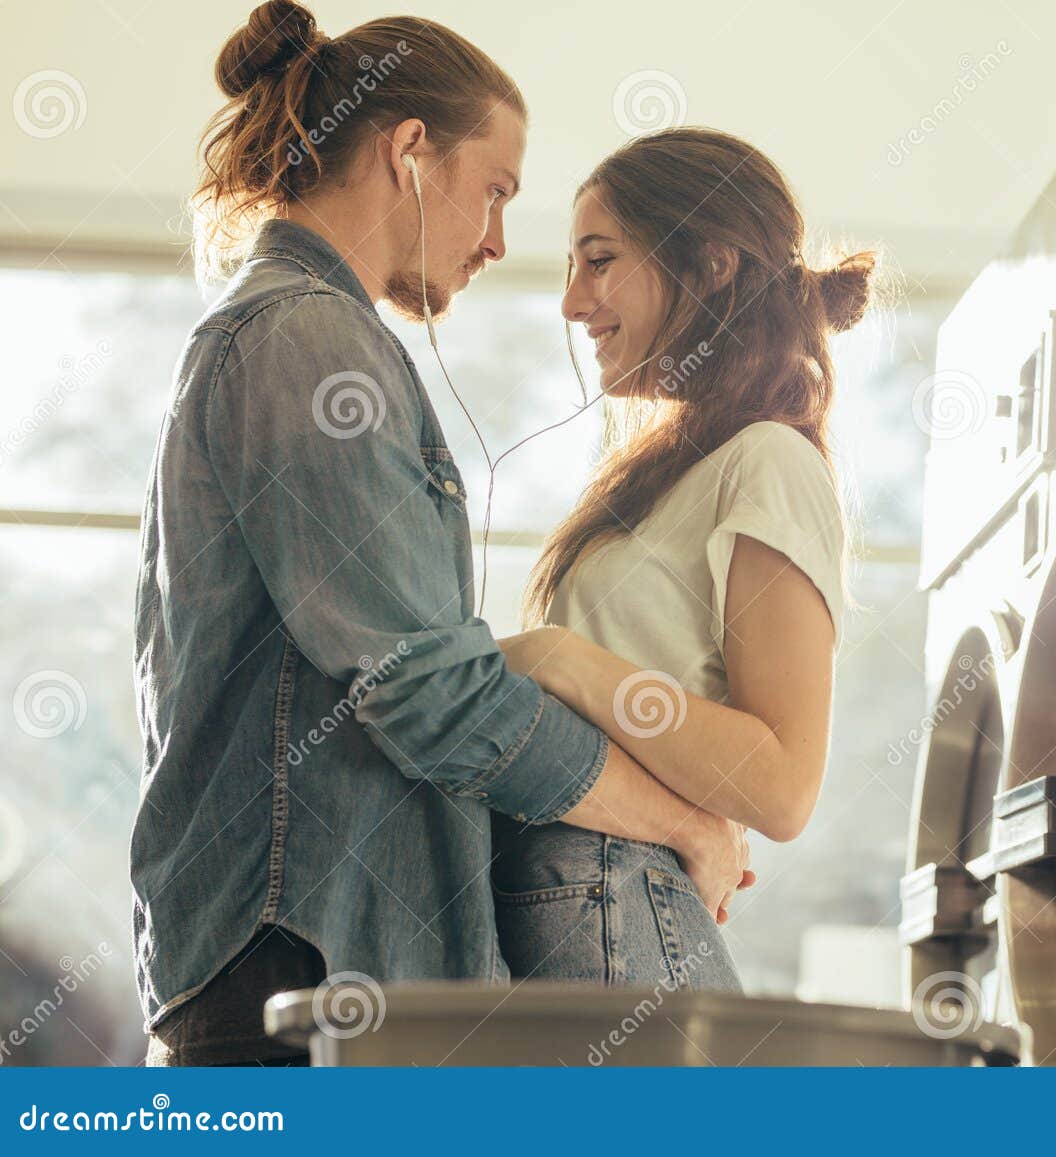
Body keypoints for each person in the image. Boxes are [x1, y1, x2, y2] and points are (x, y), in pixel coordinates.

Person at [133, 1, 746, 1066]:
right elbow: (428, 687)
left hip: (301, 957)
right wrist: (681, 820)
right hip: (302, 963)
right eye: (495, 190)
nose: (501, 240)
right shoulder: (309, 341)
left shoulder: (307, 334)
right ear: (409, 152)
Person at [491, 128, 876, 992]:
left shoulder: (769, 460)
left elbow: (780, 783)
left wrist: (559, 661)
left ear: (711, 265)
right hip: (585, 902)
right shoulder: (683, 470)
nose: (571, 302)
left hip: (616, 909)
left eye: (599, 260)